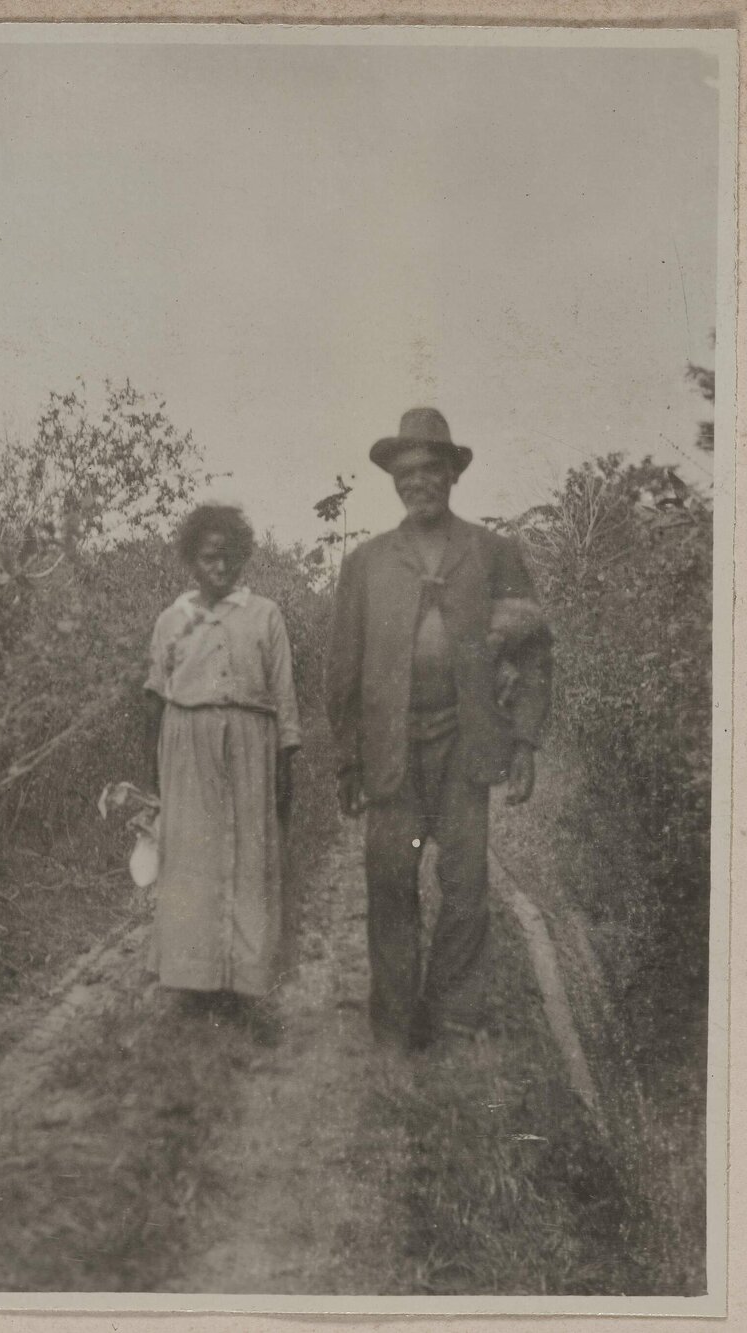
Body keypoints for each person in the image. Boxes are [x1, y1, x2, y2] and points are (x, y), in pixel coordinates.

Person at [325, 408, 552, 1052]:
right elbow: (343, 667)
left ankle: (453, 1018)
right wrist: (348, 759)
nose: (418, 481)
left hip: (465, 741)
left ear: (453, 475)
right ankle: (396, 1023)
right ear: (394, 481)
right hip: (389, 747)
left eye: (431, 469)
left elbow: (533, 651)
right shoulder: (366, 563)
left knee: (466, 884)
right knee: (390, 881)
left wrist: (525, 742)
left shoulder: (493, 553)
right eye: (406, 473)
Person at [142, 504, 301, 1037]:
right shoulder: (172, 619)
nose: (221, 567)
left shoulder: (265, 615)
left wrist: (286, 758)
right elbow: (155, 694)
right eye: (210, 557)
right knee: (192, 858)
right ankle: (193, 984)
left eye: (229, 557)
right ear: (191, 560)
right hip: (187, 744)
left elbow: (283, 693)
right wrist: (155, 773)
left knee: (249, 857)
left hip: (252, 743)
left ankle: (245, 985)